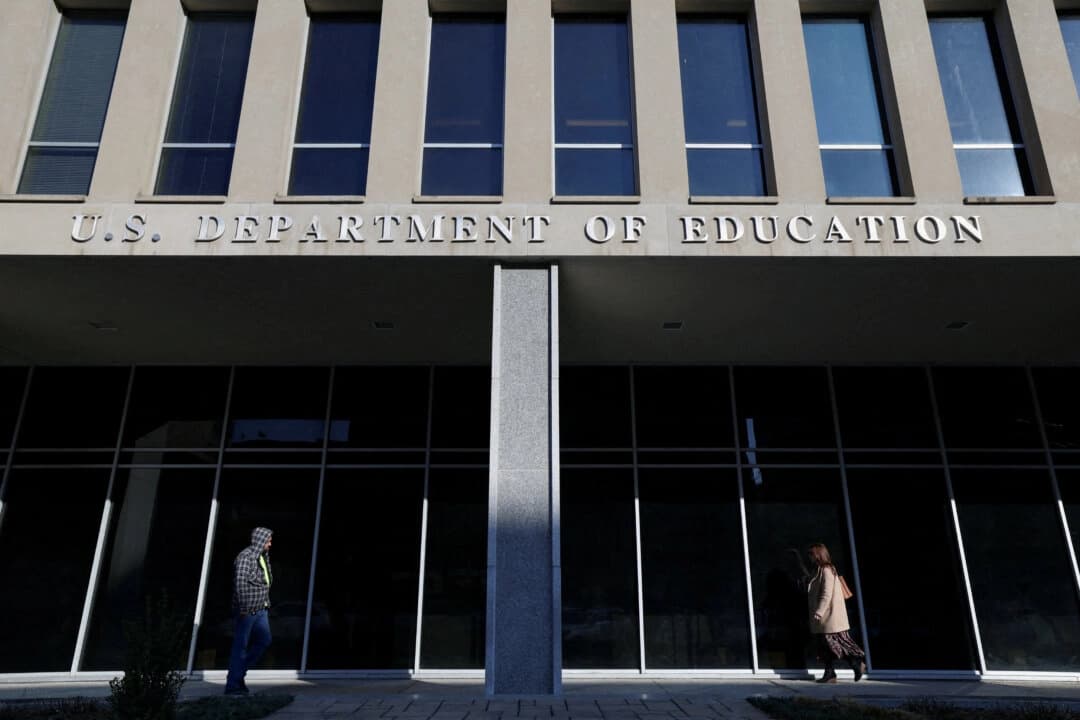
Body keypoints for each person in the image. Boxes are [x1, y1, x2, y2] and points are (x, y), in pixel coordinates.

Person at [806, 543, 865, 683]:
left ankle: (857, 663)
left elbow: (826, 593)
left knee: (835, 645)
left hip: (829, 616)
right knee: (824, 647)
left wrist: (819, 611)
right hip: (824, 617)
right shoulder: (819, 570)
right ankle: (830, 674)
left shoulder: (827, 570)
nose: (810, 558)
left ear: (818, 555)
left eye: (811, 554)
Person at [224, 527, 274, 695]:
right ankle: (233, 685)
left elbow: (265, 582)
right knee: (241, 646)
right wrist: (244, 607)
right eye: (268, 541)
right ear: (260, 540)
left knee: (264, 640)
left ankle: (238, 675)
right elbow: (240, 582)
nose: (270, 544)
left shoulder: (262, 557)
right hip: (247, 610)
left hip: (261, 608)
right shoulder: (246, 557)